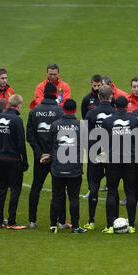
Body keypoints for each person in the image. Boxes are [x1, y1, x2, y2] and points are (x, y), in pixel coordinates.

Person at [26, 82, 65, 229]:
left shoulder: (34, 111)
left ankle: (32, 220)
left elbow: (29, 135)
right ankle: (61, 221)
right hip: (56, 158)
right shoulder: (59, 112)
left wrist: (40, 153)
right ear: (55, 94)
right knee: (59, 190)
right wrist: (53, 154)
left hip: (40, 158)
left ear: (43, 94)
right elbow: (62, 136)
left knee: (36, 187)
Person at [101, 96, 138, 234]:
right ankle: (132, 225)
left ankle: (109, 225)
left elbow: (103, 142)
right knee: (130, 192)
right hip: (130, 160)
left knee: (112, 192)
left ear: (115, 106)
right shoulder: (135, 120)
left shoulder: (107, 121)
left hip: (113, 161)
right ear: (127, 105)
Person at [48, 99, 87, 234]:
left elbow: (51, 145)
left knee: (56, 196)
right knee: (74, 198)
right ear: (75, 110)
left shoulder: (54, 125)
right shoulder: (81, 126)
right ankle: (75, 227)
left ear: (63, 109)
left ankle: (53, 226)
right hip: (74, 168)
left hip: (58, 168)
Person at [0, 94, 28, 229]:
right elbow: (21, 144)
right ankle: (11, 221)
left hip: (0, 158)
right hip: (13, 160)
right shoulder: (17, 120)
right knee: (15, 189)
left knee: (1, 189)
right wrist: (25, 161)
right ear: (18, 105)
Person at [84, 85, 116, 230]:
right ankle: (111, 221)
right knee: (112, 189)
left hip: (95, 153)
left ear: (98, 97)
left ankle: (91, 221)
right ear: (111, 97)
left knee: (94, 186)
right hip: (111, 154)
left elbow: (85, 136)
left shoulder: (91, 114)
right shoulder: (115, 114)